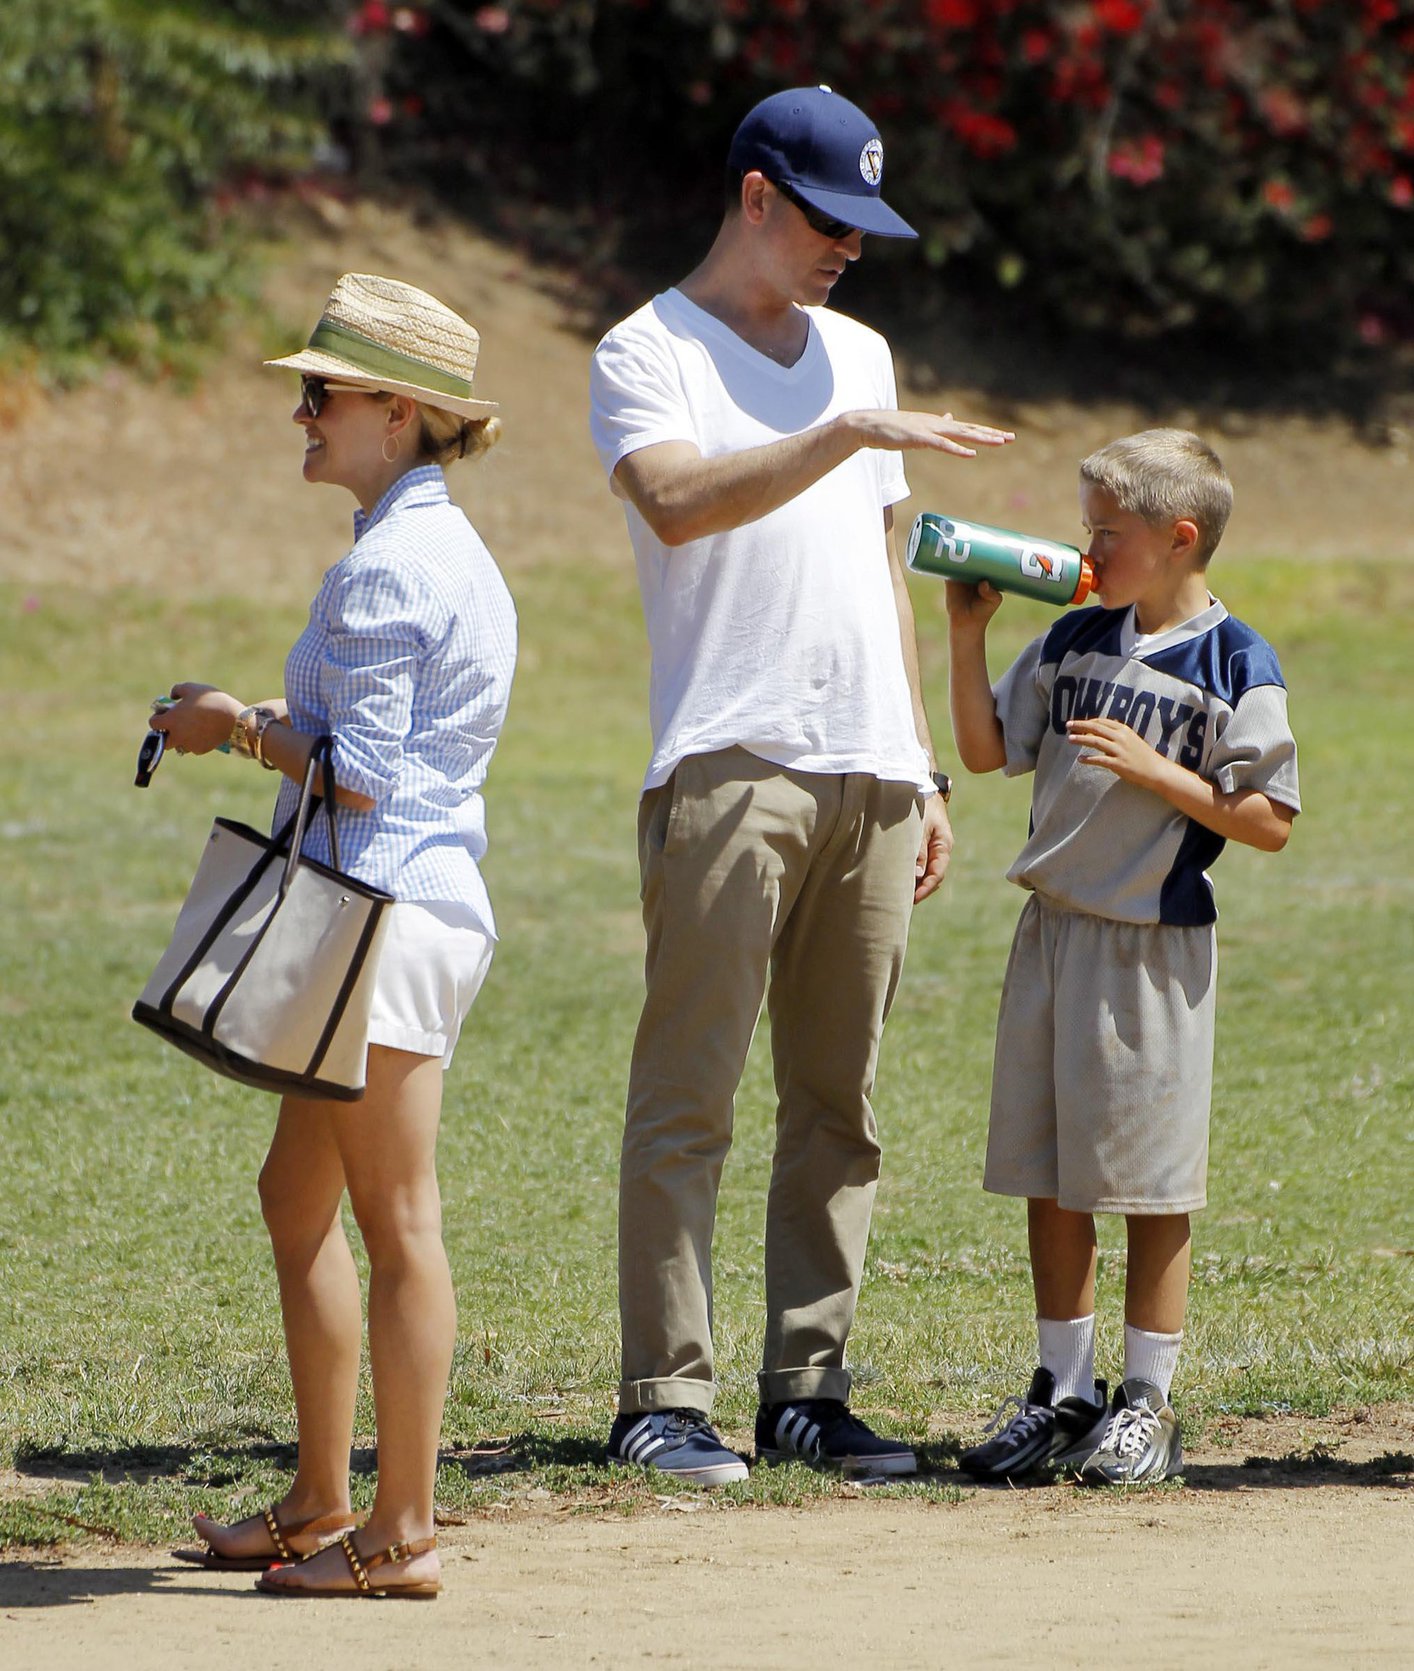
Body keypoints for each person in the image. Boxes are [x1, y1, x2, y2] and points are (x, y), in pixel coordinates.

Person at [588, 85, 1014, 1485]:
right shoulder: (647, 347)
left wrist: (923, 763)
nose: (850, 249)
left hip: (871, 773)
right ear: (756, 196)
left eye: (865, 227)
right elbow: (674, 501)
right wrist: (841, 434)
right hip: (727, 758)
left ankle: (806, 1388)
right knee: (688, 1096)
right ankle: (663, 1390)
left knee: (841, 1105)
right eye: (832, 220)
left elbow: (875, 574)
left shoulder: (861, 348)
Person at [152, 272, 516, 1595]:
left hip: (381, 916)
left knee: (394, 1213)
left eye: (324, 392)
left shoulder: (384, 568)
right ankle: (320, 1496)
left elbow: (356, 774)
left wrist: (226, 726)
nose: (300, 412)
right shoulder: (440, 548)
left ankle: (400, 1527)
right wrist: (255, 718)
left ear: (403, 415)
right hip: (392, 907)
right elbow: (380, 754)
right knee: (295, 1194)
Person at [947, 428, 1300, 1485]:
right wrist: (965, 637)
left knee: (1146, 1185)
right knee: (1050, 1178)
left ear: (1179, 538)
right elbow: (983, 750)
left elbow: (1268, 818)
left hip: (1150, 948)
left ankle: (1146, 1400)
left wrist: (1157, 771)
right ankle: (1063, 1392)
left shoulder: (1236, 660)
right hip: (1051, 933)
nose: (1086, 546)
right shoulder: (1074, 638)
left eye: (1109, 531)